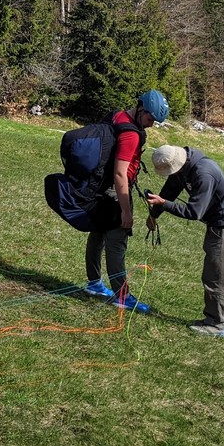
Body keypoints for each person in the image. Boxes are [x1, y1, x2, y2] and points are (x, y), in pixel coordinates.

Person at [82, 89, 170, 312]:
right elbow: (120, 173)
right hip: (115, 192)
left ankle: (94, 283)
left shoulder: (117, 116)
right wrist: (126, 212)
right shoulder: (131, 134)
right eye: (150, 119)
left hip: (99, 188)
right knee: (116, 243)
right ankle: (122, 295)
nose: (151, 124)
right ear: (141, 109)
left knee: (98, 234)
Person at [145, 145, 224, 337]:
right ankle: (214, 319)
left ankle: (217, 324)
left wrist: (163, 204)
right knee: (212, 273)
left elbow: (194, 212)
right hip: (216, 223)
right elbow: (170, 190)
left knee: (216, 275)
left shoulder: (204, 174)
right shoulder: (184, 166)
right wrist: (154, 214)